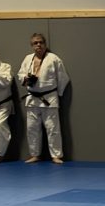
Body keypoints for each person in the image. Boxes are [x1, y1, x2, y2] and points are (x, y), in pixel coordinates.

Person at [17, 33, 69, 164]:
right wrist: (25, 79)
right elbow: (20, 74)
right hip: (32, 98)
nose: (38, 45)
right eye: (35, 43)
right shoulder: (28, 58)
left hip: (49, 98)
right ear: (32, 45)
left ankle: (56, 155)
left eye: (41, 42)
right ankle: (35, 154)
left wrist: (58, 94)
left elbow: (63, 78)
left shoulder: (53, 59)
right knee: (32, 128)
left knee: (53, 128)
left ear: (45, 44)